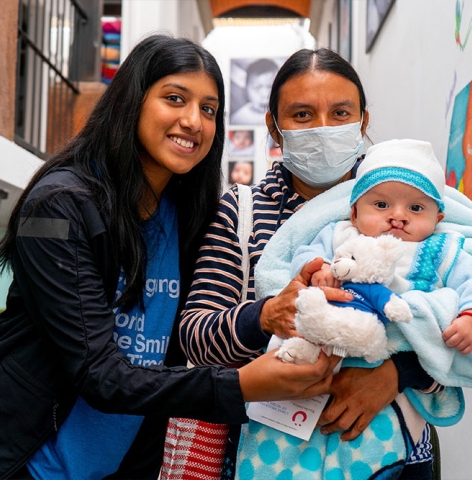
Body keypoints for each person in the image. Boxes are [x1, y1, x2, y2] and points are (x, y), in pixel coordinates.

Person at [0, 35, 339, 480]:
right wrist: (242, 386)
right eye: (175, 99)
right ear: (133, 100)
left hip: (123, 463)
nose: (193, 121)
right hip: (23, 463)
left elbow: (194, 334)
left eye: (209, 110)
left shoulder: (191, 214)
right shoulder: (60, 205)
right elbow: (99, 373)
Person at [180, 48, 442, 479]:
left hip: (393, 454)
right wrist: (265, 317)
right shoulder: (242, 213)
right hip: (267, 455)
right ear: (274, 128)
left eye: (340, 113)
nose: (323, 128)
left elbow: (461, 322)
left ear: (363, 122)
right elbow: (196, 335)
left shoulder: (408, 205)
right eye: (302, 115)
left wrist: (395, 374)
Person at [295, 138, 472, 357]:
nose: (398, 216)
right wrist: (321, 269)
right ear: (354, 214)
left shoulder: (438, 249)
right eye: (381, 205)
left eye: (416, 208)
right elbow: (304, 255)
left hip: (403, 352)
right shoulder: (342, 235)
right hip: (338, 332)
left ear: (437, 220)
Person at [230, 58, 278, 125]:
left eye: (270, 87)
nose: (264, 94)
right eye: (257, 88)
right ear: (246, 89)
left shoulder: (281, 115)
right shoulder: (237, 119)